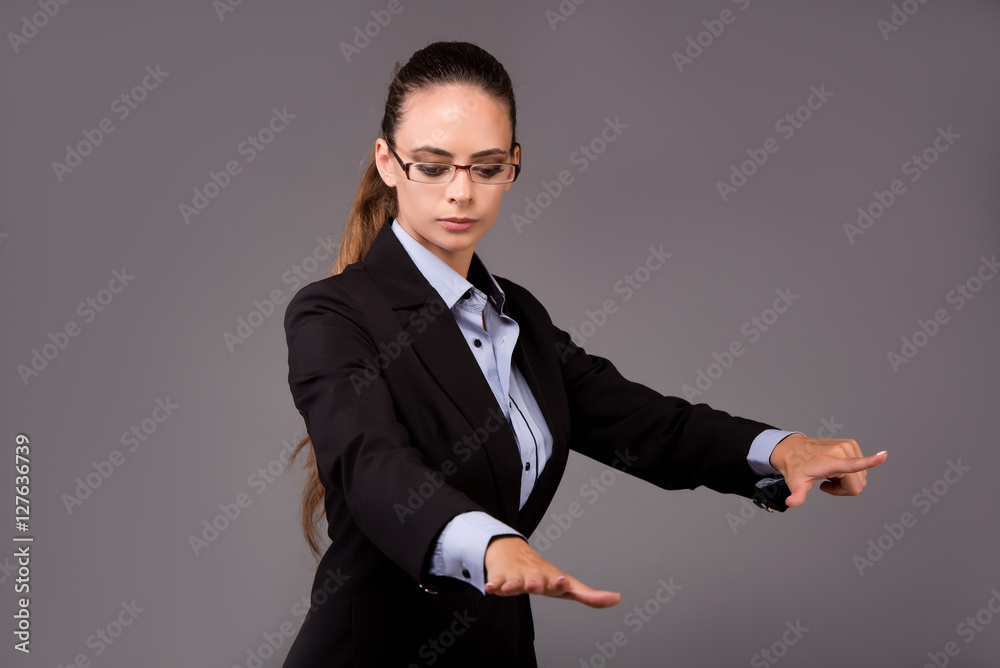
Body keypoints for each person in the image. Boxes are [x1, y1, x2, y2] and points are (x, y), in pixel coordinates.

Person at [280, 40, 887, 668]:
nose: (460, 192)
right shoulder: (333, 313)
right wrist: (488, 546)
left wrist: (782, 450)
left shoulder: (518, 316)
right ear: (387, 163)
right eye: (433, 167)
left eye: (486, 167)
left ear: (514, 165)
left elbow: (649, 425)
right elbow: (370, 463)